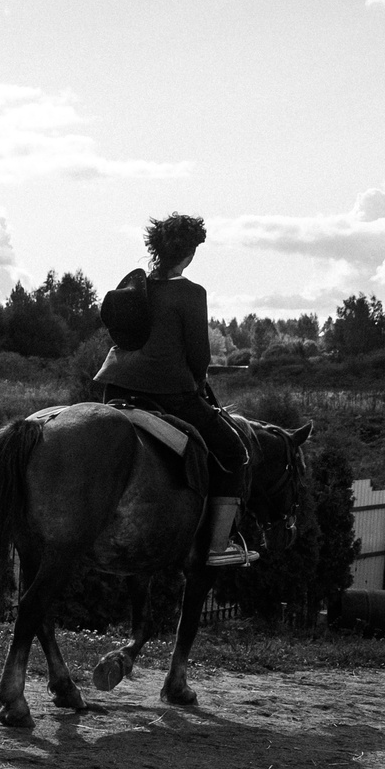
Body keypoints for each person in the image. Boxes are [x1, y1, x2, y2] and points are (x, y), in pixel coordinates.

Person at [92, 212, 256, 568]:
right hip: (166, 394)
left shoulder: (132, 289)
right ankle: (216, 546)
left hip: (114, 387)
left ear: (156, 248)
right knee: (232, 451)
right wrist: (197, 383)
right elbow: (200, 357)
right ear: (190, 253)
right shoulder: (192, 293)